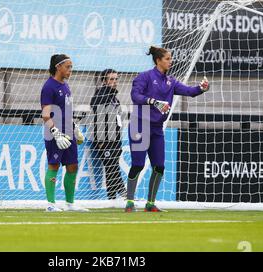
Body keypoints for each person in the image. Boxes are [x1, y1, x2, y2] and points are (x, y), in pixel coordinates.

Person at [125, 46, 209, 212]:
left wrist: (201, 88)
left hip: (157, 128)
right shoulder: (144, 77)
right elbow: (135, 96)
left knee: (159, 166)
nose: (171, 61)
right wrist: (153, 101)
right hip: (140, 124)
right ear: (158, 60)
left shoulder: (171, 81)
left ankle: (150, 203)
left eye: (171, 59)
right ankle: (129, 202)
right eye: (168, 59)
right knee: (138, 164)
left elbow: (189, 91)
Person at [40, 54, 89, 212]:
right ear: (58, 67)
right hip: (55, 134)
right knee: (54, 165)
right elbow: (46, 115)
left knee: (73, 166)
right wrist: (55, 132)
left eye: (71, 67)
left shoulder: (66, 86)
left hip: (69, 132)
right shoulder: (49, 87)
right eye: (67, 67)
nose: (70, 70)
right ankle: (51, 204)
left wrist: (75, 128)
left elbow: (66, 112)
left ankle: (70, 203)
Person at [89, 69, 127, 200]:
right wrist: (100, 140)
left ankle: (112, 199)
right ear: (104, 81)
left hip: (115, 139)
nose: (115, 82)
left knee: (112, 167)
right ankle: (125, 194)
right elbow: (97, 116)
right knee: (112, 167)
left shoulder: (114, 97)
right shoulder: (100, 95)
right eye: (111, 79)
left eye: (116, 79)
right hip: (105, 139)